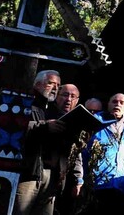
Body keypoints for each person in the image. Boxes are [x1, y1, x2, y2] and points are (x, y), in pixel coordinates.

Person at [14, 70, 70, 215]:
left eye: (58, 85)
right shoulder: (25, 103)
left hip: (51, 175)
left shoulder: (57, 110)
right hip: (29, 172)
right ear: (38, 85)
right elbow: (14, 127)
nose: (55, 88)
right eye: (50, 83)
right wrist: (44, 126)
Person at [83, 93, 124, 214]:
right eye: (114, 101)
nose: (117, 104)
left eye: (122, 103)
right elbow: (82, 154)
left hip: (122, 189)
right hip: (96, 187)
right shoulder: (94, 125)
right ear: (108, 105)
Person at [47, 84, 84, 215]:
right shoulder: (45, 113)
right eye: (65, 95)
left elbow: (76, 153)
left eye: (73, 96)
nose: (68, 99)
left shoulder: (78, 122)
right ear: (57, 96)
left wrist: (78, 179)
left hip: (63, 179)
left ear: (77, 101)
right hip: (40, 173)